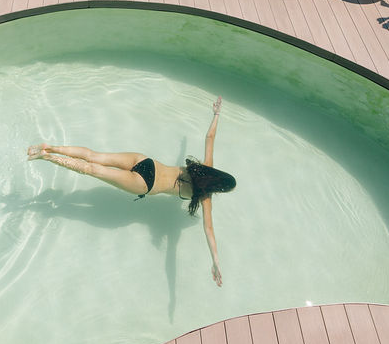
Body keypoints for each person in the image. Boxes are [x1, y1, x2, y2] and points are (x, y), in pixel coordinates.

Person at [27, 96, 235, 285]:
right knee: (92, 170)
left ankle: (50, 147)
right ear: (219, 189)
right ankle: (47, 157)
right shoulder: (204, 197)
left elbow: (210, 138)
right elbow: (209, 231)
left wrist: (216, 113)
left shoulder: (204, 167)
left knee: (93, 156)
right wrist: (216, 261)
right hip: (145, 183)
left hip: (146, 162)